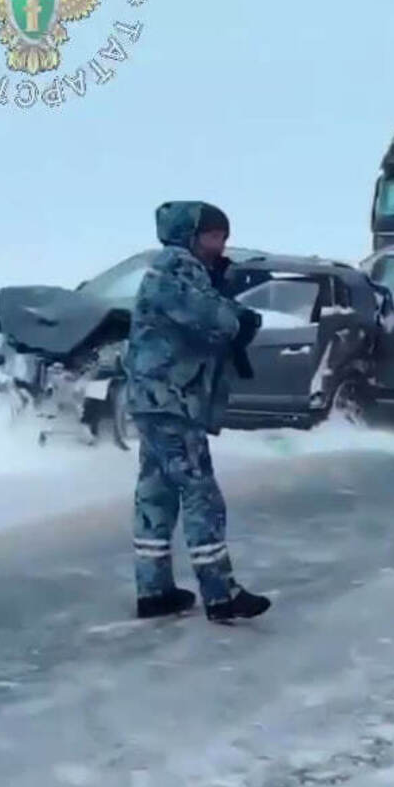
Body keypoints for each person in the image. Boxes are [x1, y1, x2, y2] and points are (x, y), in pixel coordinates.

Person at [125, 201, 270, 623]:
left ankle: (154, 588)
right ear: (191, 235)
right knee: (199, 491)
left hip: (152, 397)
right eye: (214, 235)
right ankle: (220, 592)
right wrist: (241, 313)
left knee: (158, 489)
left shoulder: (164, 268)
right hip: (172, 397)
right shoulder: (179, 267)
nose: (220, 244)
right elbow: (217, 320)